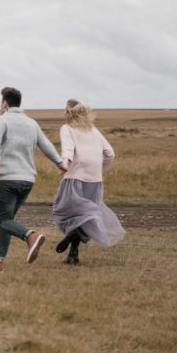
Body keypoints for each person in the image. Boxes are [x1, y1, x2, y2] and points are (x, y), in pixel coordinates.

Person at [0, 87, 65, 273]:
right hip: (27, 181)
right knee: (9, 221)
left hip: (8, 180)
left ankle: (31, 235)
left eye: (1, 101)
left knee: (2, 221)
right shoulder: (31, 123)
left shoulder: (2, 120)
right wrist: (60, 163)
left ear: (5, 103)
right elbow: (46, 145)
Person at [52, 99, 125, 264]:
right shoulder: (93, 130)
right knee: (85, 214)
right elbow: (110, 154)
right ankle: (73, 254)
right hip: (95, 180)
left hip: (74, 176)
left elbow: (68, 152)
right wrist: (99, 170)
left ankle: (71, 234)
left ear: (69, 113)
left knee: (62, 211)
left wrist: (64, 167)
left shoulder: (67, 128)